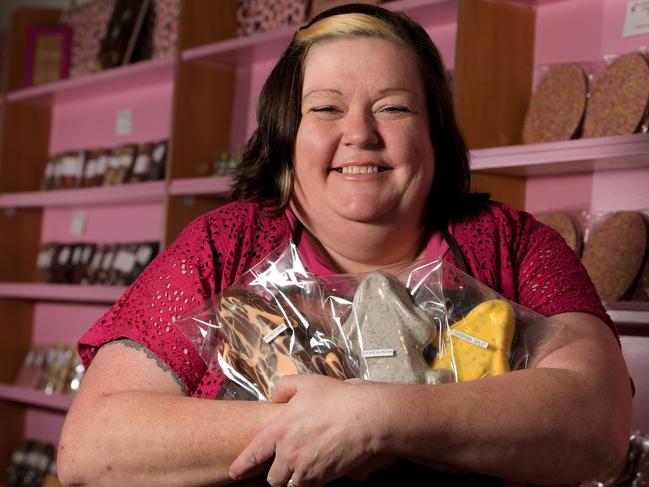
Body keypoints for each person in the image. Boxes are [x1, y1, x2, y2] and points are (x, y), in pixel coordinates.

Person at [57, 4, 632, 486]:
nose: (360, 133)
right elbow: (91, 448)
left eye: (394, 107)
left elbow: (598, 422)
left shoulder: (511, 245)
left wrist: (378, 415)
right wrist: (321, 422)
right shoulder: (224, 244)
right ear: (286, 136)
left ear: (434, 133)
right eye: (327, 108)